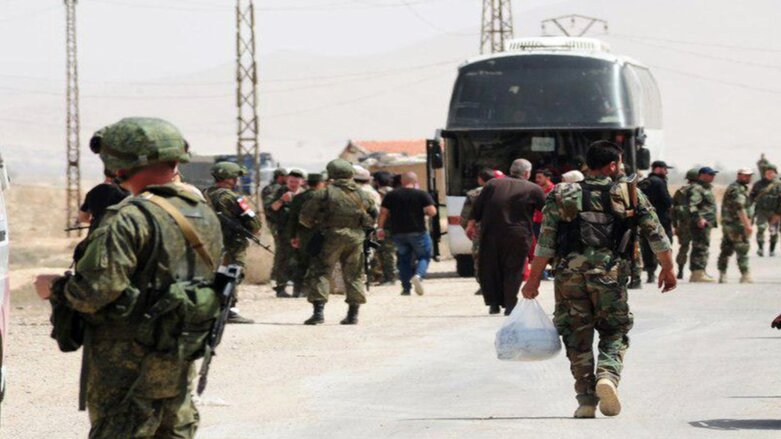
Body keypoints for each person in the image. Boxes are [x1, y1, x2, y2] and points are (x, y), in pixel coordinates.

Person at [34, 117, 223, 437]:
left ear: (121, 163)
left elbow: (95, 291)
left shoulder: (129, 217)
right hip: (176, 364)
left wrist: (54, 287)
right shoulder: (202, 212)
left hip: (127, 371)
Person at [522, 140, 676, 419]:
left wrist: (532, 281)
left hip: (569, 276)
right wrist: (668, 268)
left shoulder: (561, 192)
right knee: (614, 331)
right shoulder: (628, 194)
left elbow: (545, 241)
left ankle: (585, 400)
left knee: (576, 335)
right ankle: (607, 375)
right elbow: (656, 234)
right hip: (610, 275)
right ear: (613, 165)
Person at [299, 159, 378, 325]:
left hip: (330, 237)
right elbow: (372, 218)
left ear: (331, 174)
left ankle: (318, 314)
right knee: (354, 275)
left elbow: (305, 218)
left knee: (322, 271)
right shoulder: (364, 194)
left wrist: (317, 224)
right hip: (356, 238)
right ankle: (353, 315)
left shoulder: (324, 193)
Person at [467, 159, 545, 315]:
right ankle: (510, 304)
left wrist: (471, 223)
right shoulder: (533, 188)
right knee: (513, 268)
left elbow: (478, 206)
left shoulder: (492, 184)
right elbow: (546, 210)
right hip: (518, 235)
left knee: (490, 267)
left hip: (491, 233)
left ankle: (494, 303)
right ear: (527, 173)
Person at [203, 161, 262, 323]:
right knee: (233, 273)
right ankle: (229, 310)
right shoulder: (231, 197)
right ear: (229, 179)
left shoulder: (203, 194)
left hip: (208, 242)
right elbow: (254, 224)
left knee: (214, 273)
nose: (237, 180)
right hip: (233, 243)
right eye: (236, 177)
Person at [377, 172, 436, 296]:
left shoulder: (391, 195)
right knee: (424, 256)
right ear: (415, 181)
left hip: (398, 232)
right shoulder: (421, 194)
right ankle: (418, 276)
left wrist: (380, 228)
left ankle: (405, 288)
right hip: (417, 231)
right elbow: (432, 212)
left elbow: (383, 212)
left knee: (404, 259)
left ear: (402, 181)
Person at [265, 169, 305, 297]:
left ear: (301, 182)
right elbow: (270, 209)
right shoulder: (278, 192)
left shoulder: (305, 194)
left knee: (300, 259)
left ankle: (299, 288)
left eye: (296, 182)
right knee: (283, 258)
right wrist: (282, 200)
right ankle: (281, 287)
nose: (293, 184)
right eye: (291, 181)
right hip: (283, 231)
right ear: (287, 180)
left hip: (301, 231)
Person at [460, 168, 499, 294]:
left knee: (480, 258)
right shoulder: (503, 191)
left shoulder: (473, 194)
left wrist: (469, 230)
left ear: (480, 179)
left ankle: (483, 285)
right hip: (502, 230)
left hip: (480, 231)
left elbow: (464, 217)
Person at [287, 172, 326, 298]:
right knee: (316, 262)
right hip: (320, 234)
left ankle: (297, 290)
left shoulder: (298, 198)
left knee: (301, 262)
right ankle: (311, 290)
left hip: (302, 234)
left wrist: (293, 236)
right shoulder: (324, 197)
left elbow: (292, 219)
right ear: (320, 183)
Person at [638, 161, 674, 284]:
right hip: (661, 219)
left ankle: (650, 273)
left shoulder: (643, 182)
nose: (667, 172)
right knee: (664, 244)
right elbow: (667, 201)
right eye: (665, 169)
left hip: (644, 220)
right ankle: (665, 271)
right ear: (658, 169)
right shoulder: (659, 182)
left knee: (647, 246)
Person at [717, 168, 754, 283]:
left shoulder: (736, 187)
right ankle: (745, 275)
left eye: (749, 176)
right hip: (737, 225)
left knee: (726, 249)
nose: (748, 178)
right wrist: (747, 225)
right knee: (742, 249)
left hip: (729, 224)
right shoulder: (737, 189)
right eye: (745, 176)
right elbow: (740, 208)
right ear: (739, 175)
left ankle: (722, 275)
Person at [688, 167, 719, 282]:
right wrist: (699, 219)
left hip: (706, 223)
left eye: (713, 174)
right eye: (710, 174)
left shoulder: (706, 188)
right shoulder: (697, 188)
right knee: (700, 247)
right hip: (700, 223)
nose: (712, 176)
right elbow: (692, 205)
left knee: (703, 246)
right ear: (702, 175)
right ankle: (697, 273)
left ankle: (700, 271)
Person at [77, 169, 130, 233]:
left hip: (96, 237)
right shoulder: (127, 194)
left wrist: (97, 222)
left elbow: (82, 217)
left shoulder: (93, 191)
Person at [671, 168, 699, 279]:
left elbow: (672, 209)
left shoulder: (680, 191)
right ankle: (695, 270)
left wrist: (674, 225)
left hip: (683, 224)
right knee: (697, 247)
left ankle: (681, 270)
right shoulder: (699, 190)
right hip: (696, 223)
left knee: (684, 247)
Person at [750, 163, 780, 257]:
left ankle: (772, 250)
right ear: (764, 173)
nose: (770, 174)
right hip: (761, 211)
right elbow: (751, 197)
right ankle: (760, 249)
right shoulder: (758, 184)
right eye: (767, 172)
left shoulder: (778, 185)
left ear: (775, 173)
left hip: (774, 212)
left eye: (772, 172)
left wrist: (778, 213)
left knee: (774, 231)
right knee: (761, 228)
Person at [372, 171, 397, 285]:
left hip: (385, 226)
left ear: (377, 182)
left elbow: (381, 211)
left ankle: (389, 277)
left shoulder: (379, 194)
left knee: (386, 252)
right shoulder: (395, 192)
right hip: (395, 225)